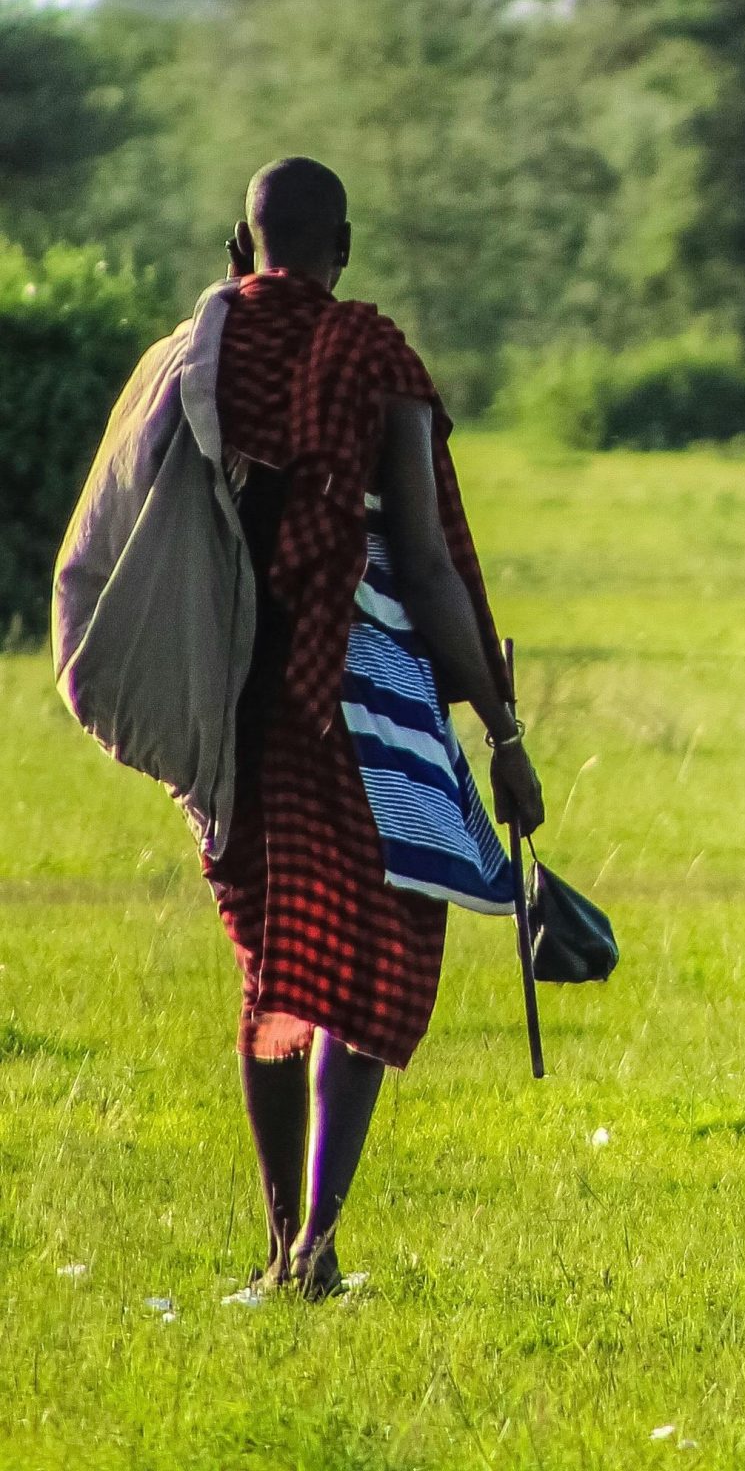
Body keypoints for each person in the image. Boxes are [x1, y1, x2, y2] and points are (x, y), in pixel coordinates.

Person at [209, 156, 543, 1296]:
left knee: (272, 958)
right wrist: (501, 733)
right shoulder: (373, 355)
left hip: (232, 699)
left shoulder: (196, 360)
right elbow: (433, 567)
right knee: (362, 954)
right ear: (341, 242)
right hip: (357, 706)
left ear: (239, 242)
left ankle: (274, 1241)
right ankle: (318, 1245)